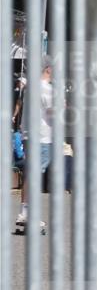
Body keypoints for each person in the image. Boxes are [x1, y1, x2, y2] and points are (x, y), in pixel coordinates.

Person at [13, 55, 54, 233]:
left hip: (29, 135)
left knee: (30, 174)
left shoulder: (30, 87)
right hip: (42, 137)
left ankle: (24, 212)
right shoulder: (46, 88)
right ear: (48, 69)